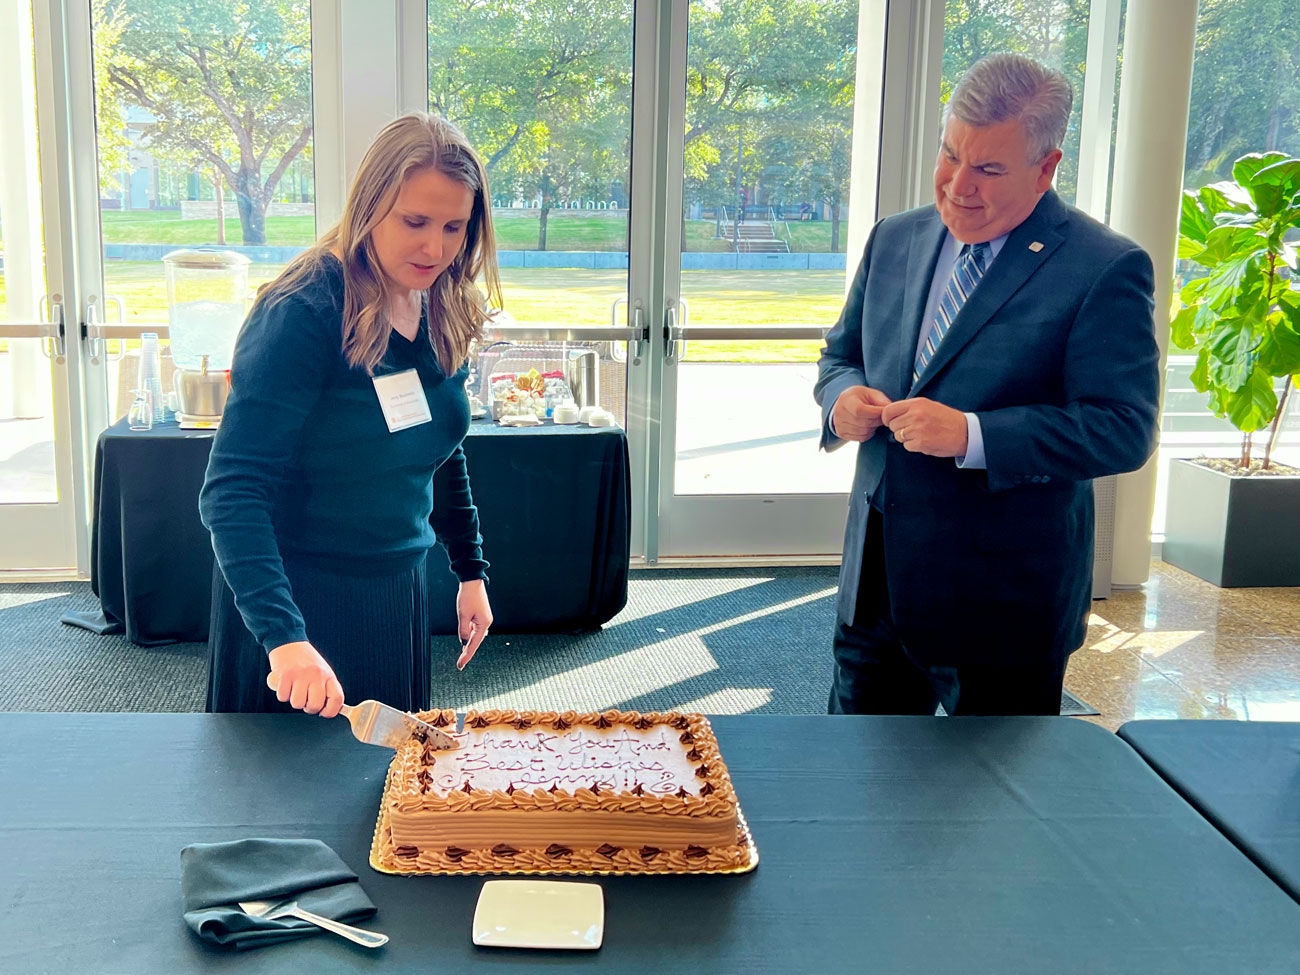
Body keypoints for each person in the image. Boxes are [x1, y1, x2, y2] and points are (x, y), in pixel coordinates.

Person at [814, 53, 1161, 717]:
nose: (957, 186)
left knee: (991, 814)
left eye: (989, 169)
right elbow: (842, 355)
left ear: (1047, 167)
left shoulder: (1105, 267)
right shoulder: (895, 237)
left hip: (1004, 609)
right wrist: (842, 400)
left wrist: (973, 435)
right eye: (950, 156)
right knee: (854, 791)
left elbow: (1123, 426)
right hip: (875, 591)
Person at [200, 112, 499, 718]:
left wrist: (470, 570)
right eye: (414, 221)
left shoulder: (443, 302)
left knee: (385, 795)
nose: (434, 247)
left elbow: (439, 449)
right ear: (370, 205)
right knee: (287, 803)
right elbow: (232, 493)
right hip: (298, 604)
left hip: (394, 593)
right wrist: (285, 641)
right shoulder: (302, 310)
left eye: (454, 227)